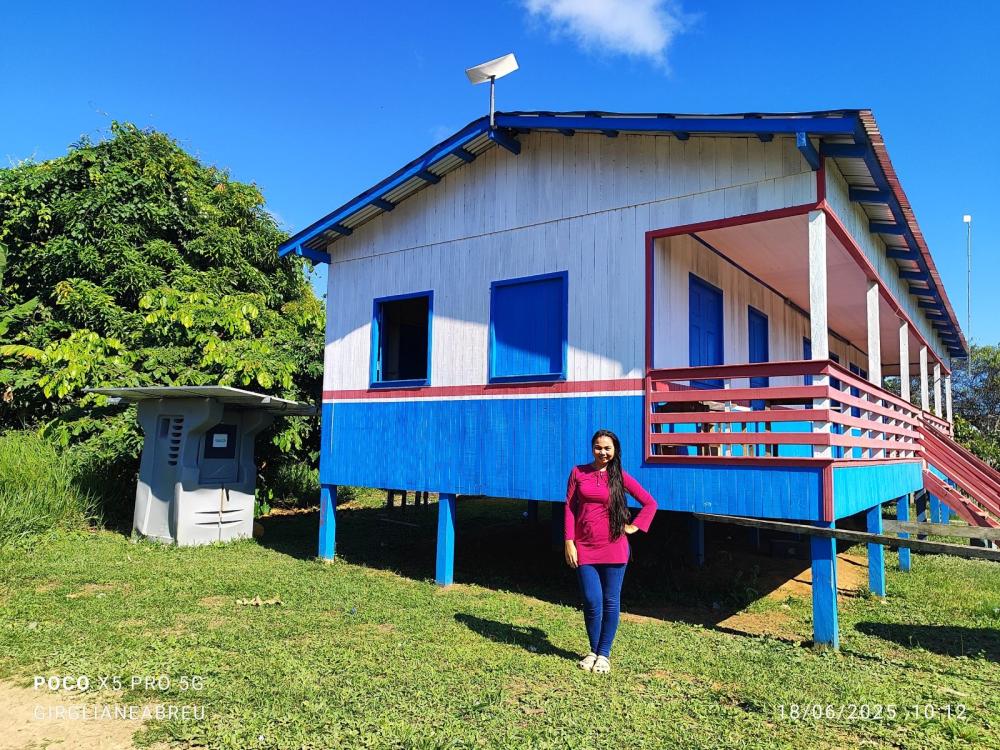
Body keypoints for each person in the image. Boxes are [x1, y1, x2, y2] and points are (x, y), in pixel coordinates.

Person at [564, 429, 657, 674]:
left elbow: (650, 503)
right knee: (592, 600)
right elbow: (570, 509)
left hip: (614, 548)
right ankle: (593, 650)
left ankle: (604, 654)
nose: (602, 452)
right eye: (598, 447)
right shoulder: (578, 473)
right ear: (592, 448)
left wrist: (635, 526)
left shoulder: (620, 477)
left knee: (610, 600)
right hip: (584, 547)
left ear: (615, 450)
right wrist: (569, 541)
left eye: (607, 448)